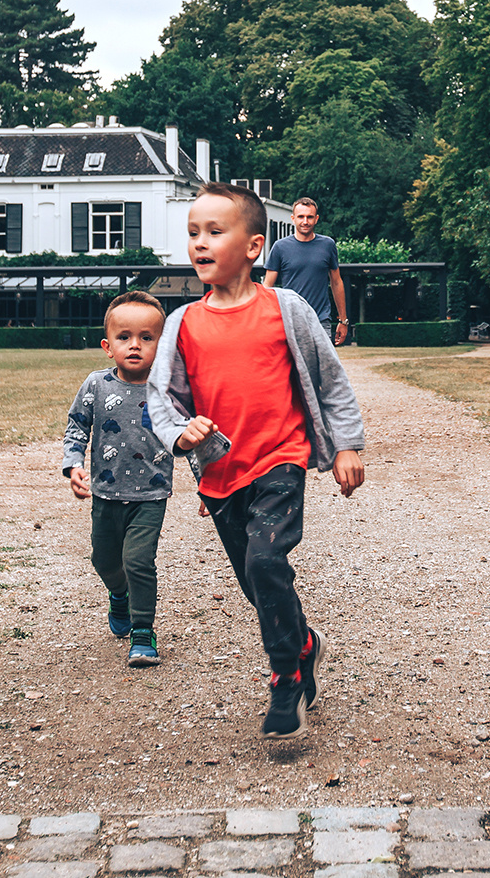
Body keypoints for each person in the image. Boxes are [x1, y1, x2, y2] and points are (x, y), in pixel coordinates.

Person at [148, 182, 366, 738]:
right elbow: (163, 399)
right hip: (222, 474)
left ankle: (285, 675)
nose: (200, 243)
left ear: (253, 247)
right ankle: (306, 641)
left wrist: (345, 445)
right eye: (193, 233)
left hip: (280, 459)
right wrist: (181, 434)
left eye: (214, 232)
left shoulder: (285, 309)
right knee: (255, 581)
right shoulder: (182, 324)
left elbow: (331, 381)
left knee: (266, 563)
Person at [60, 290, 173, 668]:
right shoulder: (96, 385)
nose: (135, 345)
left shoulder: (168, 391)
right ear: (108, 346)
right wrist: (73, 464)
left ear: (162, 342)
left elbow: (188, 437)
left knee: (139, 560)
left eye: (147, 337)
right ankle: (118, 594)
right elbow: (77, 427)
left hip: (151, 494)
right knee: (105, 560)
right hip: (106, 493)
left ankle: (143, 632)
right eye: (125, 337)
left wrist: (206, 483)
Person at [264, 196, 348, 346]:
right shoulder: (280, 247)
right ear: (293, 218)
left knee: (323, 369)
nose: (305, 221)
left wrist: (343, 320)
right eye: (301, 217)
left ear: (316, 219)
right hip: (290, 321)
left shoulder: (328, 245)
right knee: (292, 368)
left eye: (309, 217)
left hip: (321, 320)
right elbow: (267, 287)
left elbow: (336, 282)